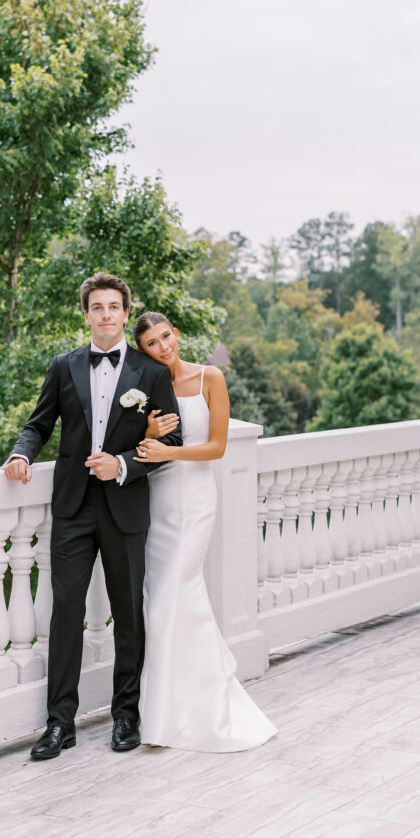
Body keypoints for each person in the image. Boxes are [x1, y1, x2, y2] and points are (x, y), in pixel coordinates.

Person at [3, 274, 182, 760]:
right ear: (85, 314)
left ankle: (127, 715)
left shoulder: (151, 373)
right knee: (65, 615)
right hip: (73, 507)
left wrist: (123, 463)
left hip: (125, 505)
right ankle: (59, 723)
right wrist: (19, 455)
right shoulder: (64, 366)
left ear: (126, 313)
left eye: (114, 307)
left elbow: (172, 444)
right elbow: (39, 423)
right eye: (97, 307)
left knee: (128, 614)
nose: (106, 315)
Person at [132, 311, 277, 751]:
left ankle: (191, 710)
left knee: (175, 593)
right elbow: (136, 443)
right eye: (152, 344)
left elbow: (216, 447)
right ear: (143, 351)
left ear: (176, 333)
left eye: (165, 337)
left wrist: (165, 455)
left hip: (194, 500)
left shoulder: (208, 377)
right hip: (157, 502)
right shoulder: (147, 390)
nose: (163, 347)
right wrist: (146, 430)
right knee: (161, 601)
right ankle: (168, 709)